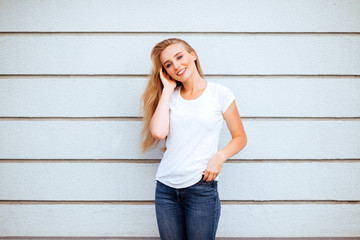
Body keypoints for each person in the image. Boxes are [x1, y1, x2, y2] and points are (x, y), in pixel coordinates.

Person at [139, 38, 247, 240]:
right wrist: (168, 89)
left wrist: (220, 156)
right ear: (165, 72)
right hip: (166, 190)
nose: (176, 66)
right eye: (168, 64)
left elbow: (240, 138)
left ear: (193, 54)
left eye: (179, 57)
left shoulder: (219, 94)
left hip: (201, 189)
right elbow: (158, 132)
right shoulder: (169, 96)